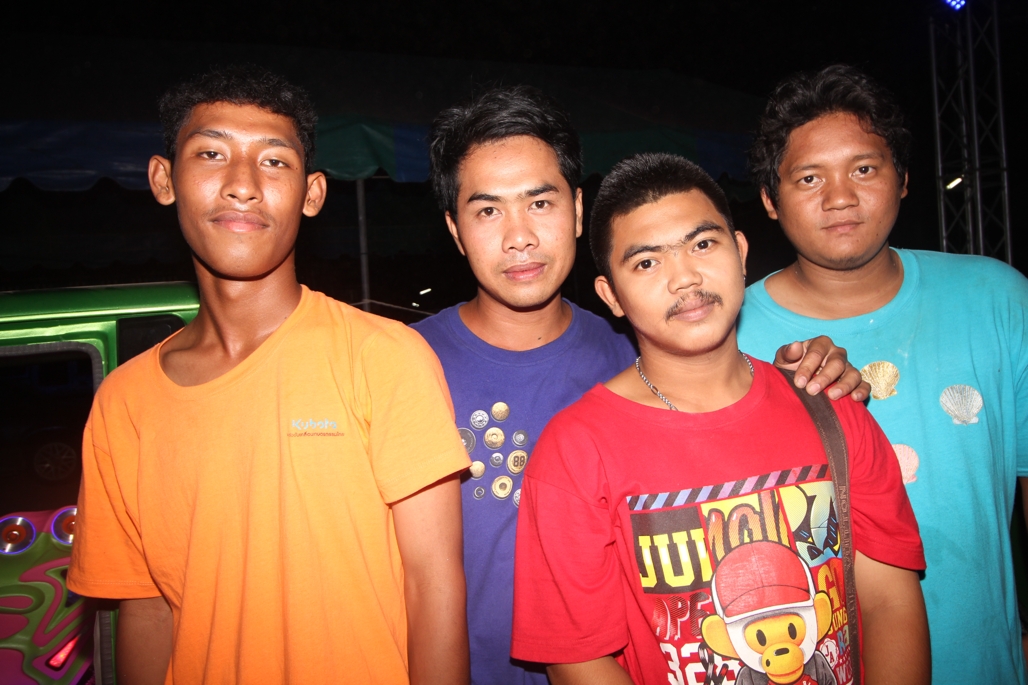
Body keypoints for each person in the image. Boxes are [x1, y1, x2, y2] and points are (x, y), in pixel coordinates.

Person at [412, 87, 869, 685]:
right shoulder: (404, 365)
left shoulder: (640, 354)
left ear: (577, 209)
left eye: (540, 202)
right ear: (454, 229)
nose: (519, 236)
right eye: (488, 211)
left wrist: (815, 374)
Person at [67, 66, 471, 685]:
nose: (242, 186)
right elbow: (146, 610)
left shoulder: (384, 358)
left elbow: (433, 586)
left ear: (312, 194)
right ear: (163, 179)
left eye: (274, 162)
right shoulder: (124, 402)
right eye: (211, 153)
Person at [510, 152, 930, 685]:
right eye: (646, 263)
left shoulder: (830, 405)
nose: (685, 278)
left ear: (741, 252)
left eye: (703, 244)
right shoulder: (575, 450)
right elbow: (578, 658)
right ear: (611, 295)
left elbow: (891, 602)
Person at [736, 64, 1028, 684]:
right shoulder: (726, 338)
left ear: (903, 178)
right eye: (809, 177)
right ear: (769, 199)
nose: (839, 197)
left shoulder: (999, 300)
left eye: (864, 169)